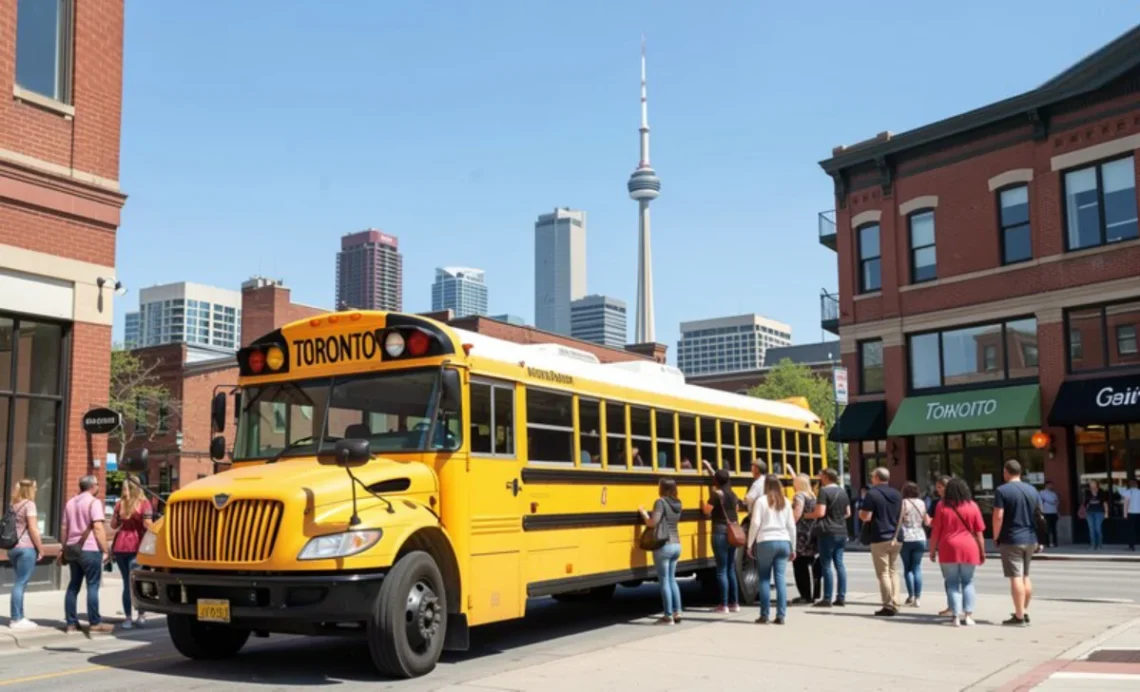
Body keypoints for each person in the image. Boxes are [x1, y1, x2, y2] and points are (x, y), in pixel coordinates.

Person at [60, 475, 113, 634]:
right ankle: (95, 623)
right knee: (93, 585)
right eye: (97, 484)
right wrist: (105, 549)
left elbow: (64, 528)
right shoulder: (94, 502)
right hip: (90, 548)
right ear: (91, 486)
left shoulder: (70, 502)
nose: (98, 487)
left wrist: (64, 547)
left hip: (73, 548)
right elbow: (98, 527)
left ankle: (71, 623)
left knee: (73, 585)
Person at [930, 478, 985, 627]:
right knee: (968, 581)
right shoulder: (972, 505)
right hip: (969, 547)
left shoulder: (941, 506)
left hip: (947, 547)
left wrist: (932, 550)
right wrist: (982, 551)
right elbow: (979, 532)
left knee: (952, 582)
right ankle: (968, 616)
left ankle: (955, 616)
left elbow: (936, 531)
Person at [992, 460, 1041, 627]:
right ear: (1020, 472)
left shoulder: (1002, 490)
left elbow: (998, 515)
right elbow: (1039, 513)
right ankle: (1024, 610)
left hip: (1012, 538)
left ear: (1006, 472)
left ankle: (1019, 615)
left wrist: (996, 536)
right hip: (1030, 538)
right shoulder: (1032, 490)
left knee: (1015, 577)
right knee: (1026, 575)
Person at [746, 476, 796, 625]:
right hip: (784, 541)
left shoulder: (761, 501)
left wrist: (750, 544)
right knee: (780, 579)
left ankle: (764, 615)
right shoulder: (786, 502)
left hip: (766, 541)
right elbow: (791, 526)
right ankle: (781, 615)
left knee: (764, 579)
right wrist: (793, 547)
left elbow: (755, 523)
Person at [110, 476, 153, 629]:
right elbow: (148, 525)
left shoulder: (119, 505)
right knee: (137, 582)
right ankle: (141, 615)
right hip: (137, 546)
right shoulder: (144, 504)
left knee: (126, 583)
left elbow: (113, 525)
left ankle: (127, 618)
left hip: (120, 547)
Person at [860, 467, 903, 616]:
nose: (871, 479)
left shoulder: (872, 494)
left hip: (879, 537)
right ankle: (896, 601)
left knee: (883, 573)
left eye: (872, 476)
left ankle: (888, 604)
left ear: (877, 478)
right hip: (896, 537)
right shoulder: (897, 494)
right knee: (893, 571)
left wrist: (860, 514)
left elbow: (867, 516)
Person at [639, 478, 682, 624]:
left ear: (663, 488)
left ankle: (668, 616)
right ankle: (677, 612)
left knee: (664, 581)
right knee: (672, 579)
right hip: (677, 544)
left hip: (664, 546)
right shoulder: (678, 503)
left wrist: (644, 513)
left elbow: (653, 522)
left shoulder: (660, 502)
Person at [806, 467, 849, 608]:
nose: (820, 477)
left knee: (826, 564)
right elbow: (848, 513)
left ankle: (827, 598)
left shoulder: (824, 491)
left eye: (821, 475)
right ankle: (841, 597)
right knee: (840, 564)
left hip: (827, 532)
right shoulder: (842, 491)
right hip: (842, 531)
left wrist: (805, 515)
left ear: (826, 477)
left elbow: (820, 513)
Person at [7, 479, 46, 630]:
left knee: (19, 582)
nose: (36, 490)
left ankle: (20, 616)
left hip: (13, 548)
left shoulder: (13, 505)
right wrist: (41, 549)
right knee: (21, 583)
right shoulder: (30, 505)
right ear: (29, 489)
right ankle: (16, 619)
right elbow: (34, 530)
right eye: (35, 487)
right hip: (26, 548)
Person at [702, 468, 740, 613]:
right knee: (730, 568)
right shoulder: (733, 493)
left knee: (721, 569)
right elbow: (736, 509)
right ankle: (734, 603)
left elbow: (707, 510)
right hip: (732, 533)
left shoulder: (716, 494)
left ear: (716, 481)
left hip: (720, 532)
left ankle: (723, 604)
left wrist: (703, 504)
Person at [790, 474, 820, 605]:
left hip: (800, 535)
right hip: (811, 533)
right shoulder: (813, 496)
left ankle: (805, 595)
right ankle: (815, 594)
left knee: (799, 566)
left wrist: (788, 525)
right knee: (811, 565)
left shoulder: (799, 496)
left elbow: (797, 514)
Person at [899, 482, 930, 608]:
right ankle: (918, 597)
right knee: (916, 567)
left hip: (906, 537)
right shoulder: (922, 503)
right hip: (920, 536)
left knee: (907, 568)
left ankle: (911, 595)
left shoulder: (903, 503)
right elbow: (927, 521)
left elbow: (899, 519)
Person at [1082, 480, 1108, 550]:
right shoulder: (1087, 492)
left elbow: (1105, 503)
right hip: (1089, 513)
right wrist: (1084, 512)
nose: (1092, 485)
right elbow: (1085, 503)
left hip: (1099, 512)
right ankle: (1093, 545)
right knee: (1091, 529)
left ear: (1097, 484)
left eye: (1093, 483)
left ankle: (1099, 545)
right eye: (1091, 484)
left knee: (1097, 529)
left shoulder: (1101, 492)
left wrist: (1106, 513)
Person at [1039, 481, 1060, 549]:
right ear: (1046, 485)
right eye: (1050, 485)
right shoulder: (1042, 493)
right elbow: (1040, 502)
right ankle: (1047, 543)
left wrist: (1057, 511)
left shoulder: (1053, 493)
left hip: (1053, 512)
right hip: (1046, 512)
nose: (1051, 486)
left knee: (1054, 529)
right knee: (1047, 528)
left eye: (1052, 485)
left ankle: (1055, 542)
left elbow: (1057, 502)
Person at [1122, 478, 1140, 552]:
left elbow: (1126, 503)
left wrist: (1125, 514)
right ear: (1137, 485)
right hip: (1139, 513)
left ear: (1130, 485)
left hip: (1131, 513)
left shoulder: (1128, 492)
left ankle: (1131, 546)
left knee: (1131, 530)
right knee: (1137, 529)